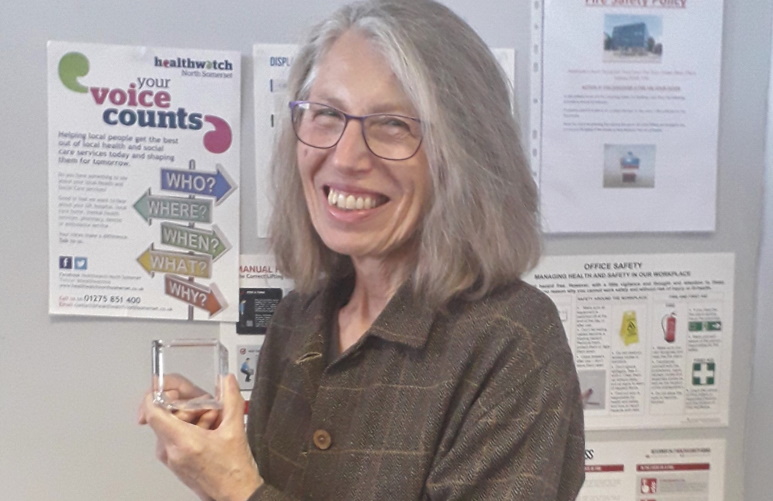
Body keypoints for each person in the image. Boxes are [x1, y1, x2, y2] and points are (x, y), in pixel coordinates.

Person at [138, 0, 585, 499]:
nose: (345, 157)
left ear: (464, 154)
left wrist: (235, 487)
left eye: (393, 124)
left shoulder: (512, 341)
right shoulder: (298, 320)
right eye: (327, 114)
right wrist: (221, 460)